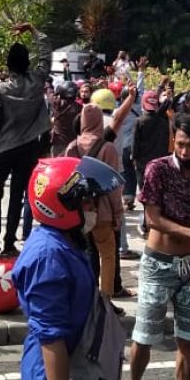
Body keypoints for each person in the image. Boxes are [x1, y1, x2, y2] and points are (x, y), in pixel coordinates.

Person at [11, 156, 125, 380]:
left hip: (77, 365)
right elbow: (51, 339)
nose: (93, 208)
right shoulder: (47, 258)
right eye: (86, 202)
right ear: (63, 206)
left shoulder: (68, 242)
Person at [129, 114, 190, 380]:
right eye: (179, 143)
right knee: (145, 336)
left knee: (188, 340)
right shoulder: (157, 169)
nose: (184, 151)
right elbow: (153, 219)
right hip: (158, 264)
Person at [0, 24, 51, 258]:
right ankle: (9, 242)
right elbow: (46, 52)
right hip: (29, 147)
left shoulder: (0, 89)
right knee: (17, 196)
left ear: (8, 65)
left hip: (3, 149)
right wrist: (33, 30)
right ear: (27, 63)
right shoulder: (38, 83)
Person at [64, 105, 123, 298]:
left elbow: (68, 180)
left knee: (84, 253)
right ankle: (105, 299)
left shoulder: (72, 146)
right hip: (104, 211)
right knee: (107, 256)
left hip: (79, 213)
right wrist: (117, 213)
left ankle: (85, 296)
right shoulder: (108, 148)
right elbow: (113, 187)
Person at [48, 82, 81, 158]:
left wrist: (51, 87)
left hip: (58, 142)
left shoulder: (57, 102)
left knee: (56, 164)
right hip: (73, 142)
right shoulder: (79, 108)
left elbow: (49, 94)